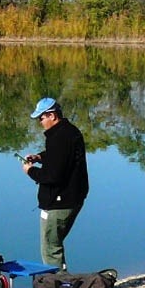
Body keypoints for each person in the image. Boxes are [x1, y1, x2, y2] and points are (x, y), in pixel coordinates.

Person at [21, 97, 89, 270]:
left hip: (59, 202)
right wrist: (40, 157)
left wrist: (30, 171)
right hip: (73, 198)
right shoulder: (69, 131)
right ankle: (64, 286)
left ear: (52, 115)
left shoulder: (59, 137)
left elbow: (52, 176)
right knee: (55, 244)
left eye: (41, 118)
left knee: (50, 248)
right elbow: (61, 157)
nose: (40, 122)